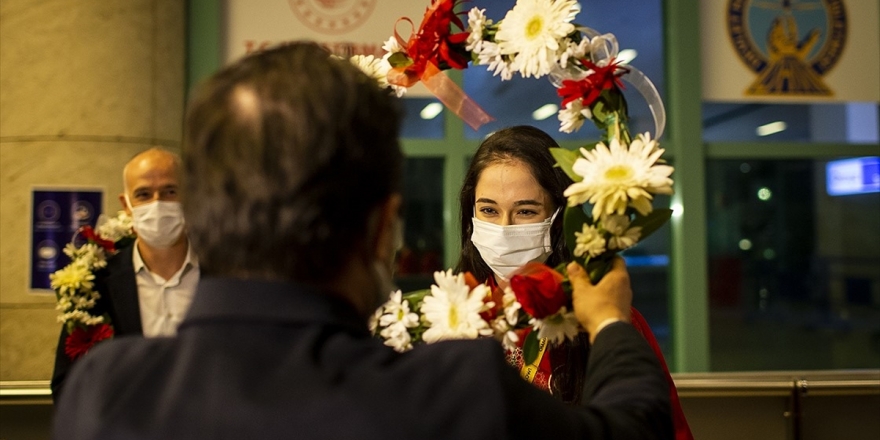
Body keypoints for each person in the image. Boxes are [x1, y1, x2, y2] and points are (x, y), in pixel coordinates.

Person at [53, 42, 672, 440]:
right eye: (488, 210)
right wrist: (610, 324)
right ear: (382, 230)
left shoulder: (106, 392)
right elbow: (633, 426)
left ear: (205, 219)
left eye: (524, 211)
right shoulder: (448, 395)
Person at [455, 125, 694, 439]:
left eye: (526, 211)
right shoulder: (446, 318)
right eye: (488, 210)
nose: (504, 228)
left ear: (559, 218)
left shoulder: (603, 321)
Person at [51, 147, 199, 401]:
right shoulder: (97, 284)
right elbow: (67, 385)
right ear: (127, 205)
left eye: (170, 192)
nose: (157, 204)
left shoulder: (224, 275)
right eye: (143, 194)